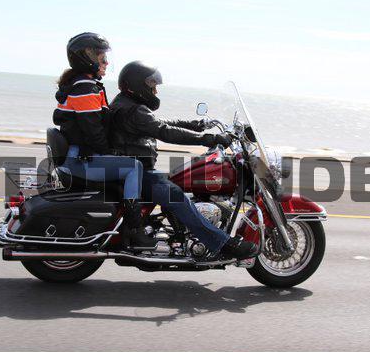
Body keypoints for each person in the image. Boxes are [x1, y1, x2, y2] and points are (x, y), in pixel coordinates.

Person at [109, 61, 260, 260]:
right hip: (139, 171)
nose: (155, 91)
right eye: (152, 86)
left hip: (135, 167)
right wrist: (210, 139)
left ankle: (183, 231)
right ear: (138, 85)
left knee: (178, 182)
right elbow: (165, 131)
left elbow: (160, 123)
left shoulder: (128, 105)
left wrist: (196, 124)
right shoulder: (132, 111)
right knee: (176, 196)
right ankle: (221, 243)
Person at [53, 33, 155, 249]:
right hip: (80, 160)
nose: (106, 63)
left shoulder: (81, 85)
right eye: (102, 58)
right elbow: (93, 131)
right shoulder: (85, 88)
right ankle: (134, 229)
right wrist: (110, 152)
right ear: (86, 58)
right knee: (134, 167)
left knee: (128, 164)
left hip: (78, 155)